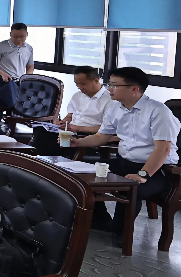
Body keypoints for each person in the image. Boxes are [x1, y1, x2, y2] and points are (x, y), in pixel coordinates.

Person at [71, 67, 180, 239]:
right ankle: (100, 221)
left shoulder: (158, 111)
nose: (109, 89)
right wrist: (77, 142)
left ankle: (121, 235)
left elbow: (163, 149)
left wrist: (143, 174)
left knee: (132, 188)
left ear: (134, 89)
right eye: (109, 84)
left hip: (158, 171)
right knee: (82, 173)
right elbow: (101, 137)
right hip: (124, 162)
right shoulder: (115, 108)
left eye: (115, 85)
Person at [32, 65, 111, 155]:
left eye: (82, 84)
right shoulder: (77, 96)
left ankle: (42, 159)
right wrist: (63, 123)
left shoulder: (109, 100)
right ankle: (35, 159)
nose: (79, 87)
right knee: (41, 130)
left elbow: (107, 128)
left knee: (50, 143)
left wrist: (77, 128)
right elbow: (70, 116)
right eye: (76, 83)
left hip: (89, 136)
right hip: (71, 132)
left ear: (96, 80)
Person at [0, 23, 34, 130]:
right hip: (1, 81)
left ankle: (10, 132)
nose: (19, 39)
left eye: (22, 36)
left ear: (27, 34)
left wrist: (27, 78)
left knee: (14, 108)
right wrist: (2, 73)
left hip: (19, 82)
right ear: (10, 34)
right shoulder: (1, 46)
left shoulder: (29, 48)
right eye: (15, 36)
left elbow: (30, 66)